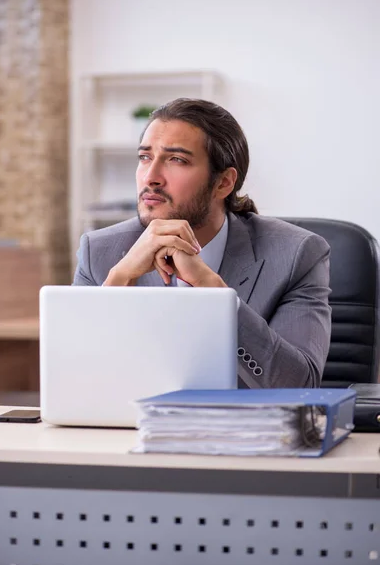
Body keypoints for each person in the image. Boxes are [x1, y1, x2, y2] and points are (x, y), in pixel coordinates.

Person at [74, 98, 331, 388]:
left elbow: (298, 385)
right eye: (145, 157)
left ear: (223, 183)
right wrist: (119, 281)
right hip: (128, 430)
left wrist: (215, 292)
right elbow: (73, 380)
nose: (151, 177)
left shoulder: (297, 254)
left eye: (177, 160)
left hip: (241, 431)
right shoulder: (100, 253)